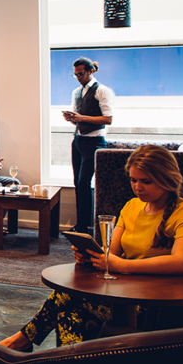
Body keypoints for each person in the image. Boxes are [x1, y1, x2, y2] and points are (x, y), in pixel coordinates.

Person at [0, 145, 183, 350]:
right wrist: (91, 256)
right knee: (69, 313)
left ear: (166, 179)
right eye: (133, 180)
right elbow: (111, 253)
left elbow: (182, 262)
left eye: (146, 181)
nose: (137, 187)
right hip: (129, 294)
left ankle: (23, 342)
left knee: (67, 299)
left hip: (164, 304)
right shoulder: (132, 206)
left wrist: (122, 265)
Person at [63, 57, 115, 233]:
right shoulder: (76, 92)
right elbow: (79, 120)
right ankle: (81, 225)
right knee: (78, 183)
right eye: (75, 74)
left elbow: (108, 119)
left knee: (85, 182)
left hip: (94, 141)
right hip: (78, 139)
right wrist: (71, 119)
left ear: (91, 71)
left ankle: (86, 228)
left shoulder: (102, 90)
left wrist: (81, 118)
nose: (78, 77)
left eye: (81, 74)